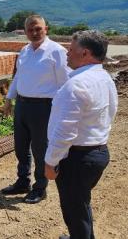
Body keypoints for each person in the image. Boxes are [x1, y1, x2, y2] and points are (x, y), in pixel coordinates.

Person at [45, 30, 118, 239]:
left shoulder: (75, 85)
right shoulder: (104, 77)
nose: (67, 53)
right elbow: (111, 111)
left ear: (85, 53)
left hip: (77, 159)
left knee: (74, 211)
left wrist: (50, 162)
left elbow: (65, 130)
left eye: (71, 49)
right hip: (98, 152)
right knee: (80, 203)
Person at [1, 15, 71, 204]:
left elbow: (67, 84)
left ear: (46, 28)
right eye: (30, 30)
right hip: (22, 105)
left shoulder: (57, 52)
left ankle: (40, 188)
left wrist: (62, 111)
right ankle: (23, 181)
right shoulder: (24, 51)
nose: (34, 33)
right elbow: (18, 78)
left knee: (41, 149)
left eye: (38, 29)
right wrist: (9, 100)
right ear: (25, 32)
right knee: (21, 147)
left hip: (44, 107)